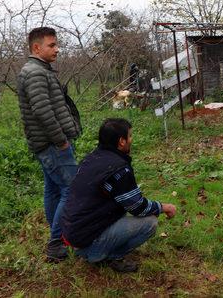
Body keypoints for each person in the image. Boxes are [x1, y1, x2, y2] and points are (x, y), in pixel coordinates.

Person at [61, 119, 177, 273]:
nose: (131, 139)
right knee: (150, 222)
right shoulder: (118, 169)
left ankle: (96, 248)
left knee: (122, 206)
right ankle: (109, 255)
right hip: (86, 242)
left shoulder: (91, 159)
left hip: (75, 234)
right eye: (130, 136)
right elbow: (138, 207)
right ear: (121, 142)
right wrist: (164, 207)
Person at [17, 27, 82, 262]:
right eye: (51, 45)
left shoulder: (40, 70)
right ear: (37, 48)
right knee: (71, 190)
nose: (57, 49)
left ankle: (56, 235)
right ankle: (56, 243)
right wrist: (61, 140)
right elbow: (43, 112)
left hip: (48, 143)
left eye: (56, 45)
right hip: (53, 144)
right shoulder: (35, 73)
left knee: (53, 190)